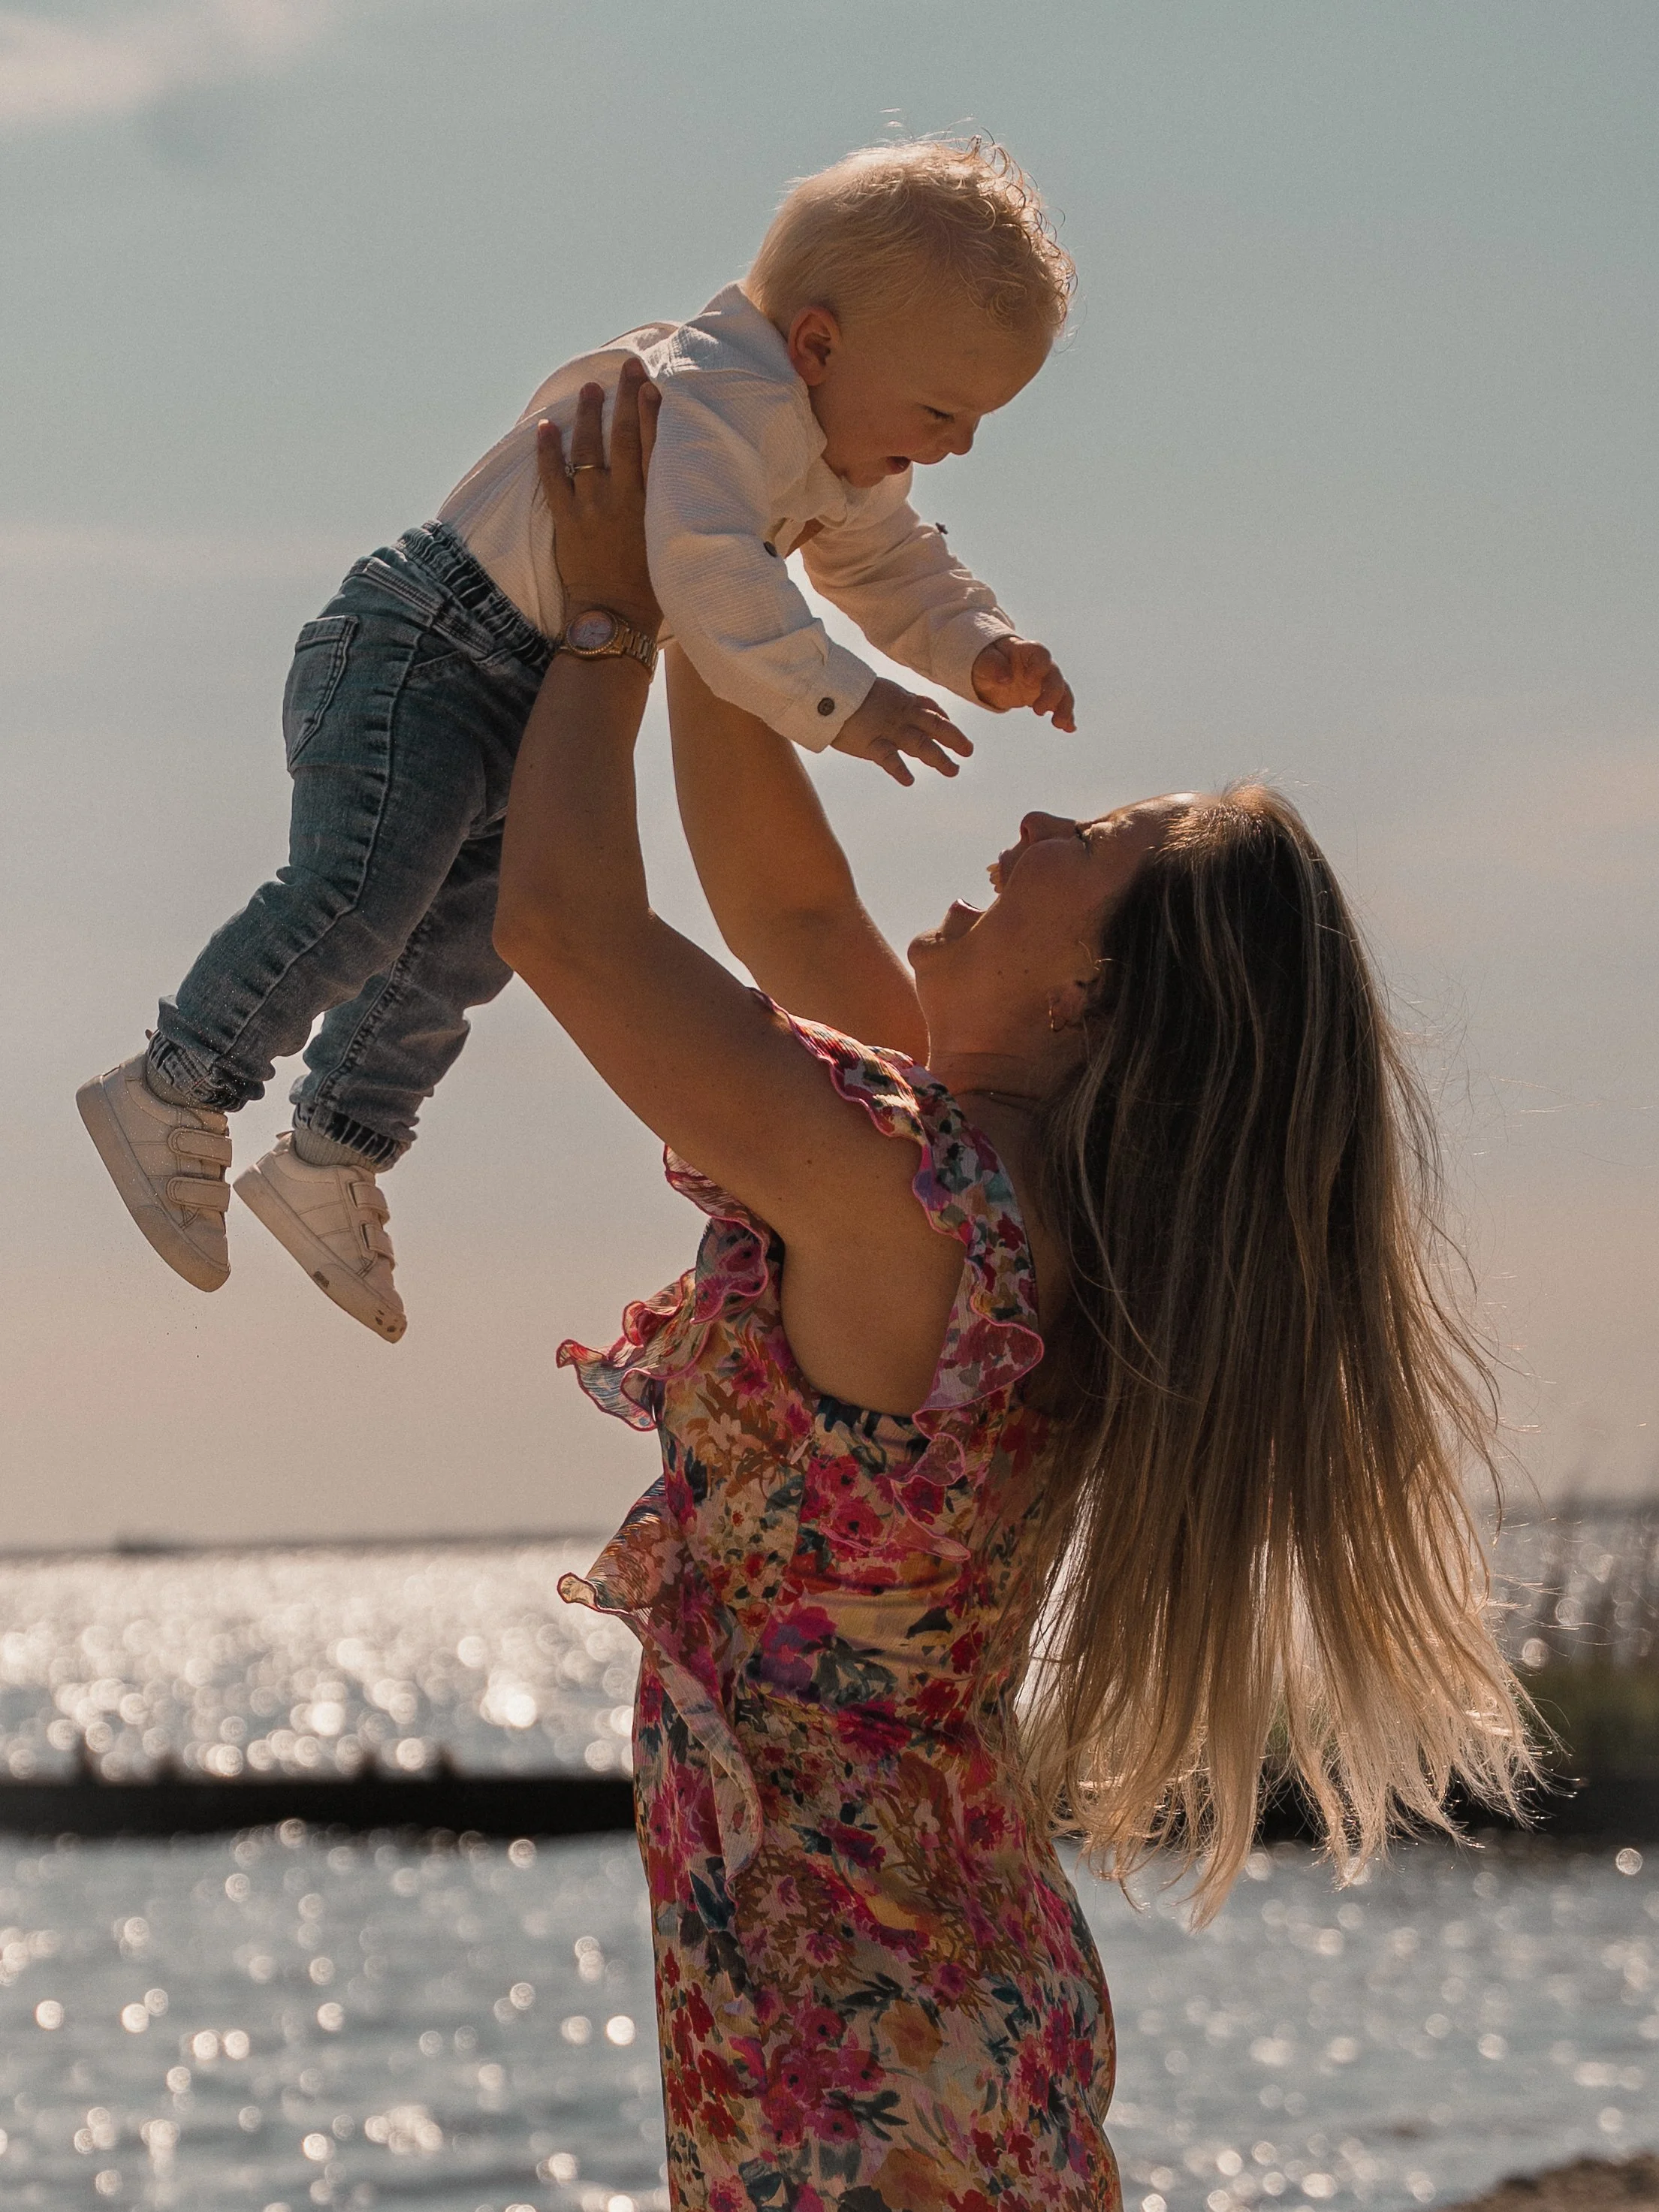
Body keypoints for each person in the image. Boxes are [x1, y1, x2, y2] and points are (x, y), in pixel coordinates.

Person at [492, 368, 1531, 2207]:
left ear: (1097, 999)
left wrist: (600, 609)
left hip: (862, 2057)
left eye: (1096, 851)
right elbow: (791, 917)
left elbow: (566, 923)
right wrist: (726, 536)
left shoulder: (914, 1209)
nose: (1037, 834)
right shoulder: (986, 1202)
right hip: (921, 2004)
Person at [75, 137, 1076, 1344]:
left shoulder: (820, 447)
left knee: (458, 948)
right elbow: (704, 571)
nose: (957, 445)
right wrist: (841, 702)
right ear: (817, 346)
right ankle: (176, 1082)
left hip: (525, 683)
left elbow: (890, 562)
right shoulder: (719, 401)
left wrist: (980, 648)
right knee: (364, 891)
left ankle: (332, 1151)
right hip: (429, 645)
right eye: (941, 411)